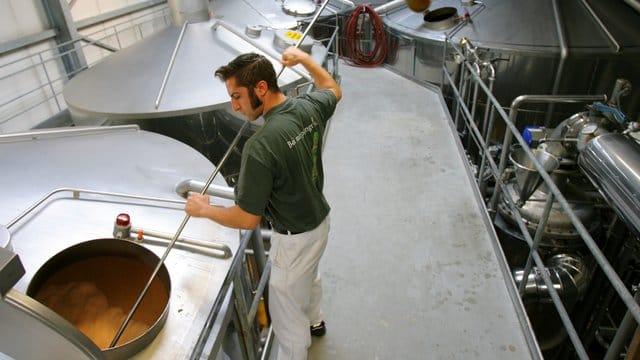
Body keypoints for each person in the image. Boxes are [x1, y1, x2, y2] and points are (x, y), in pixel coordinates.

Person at [185, 46, 342, 360]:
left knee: (285, 313)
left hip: (294, 238)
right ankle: (316, 321)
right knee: (310, 276)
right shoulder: (307, 106)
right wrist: (305, 60)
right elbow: (333, 89)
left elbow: (246, 219)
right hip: (320, 219)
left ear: (261, 88)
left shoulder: (259, 148)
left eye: (237, 96)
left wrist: (204, 210)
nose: (234, 106)